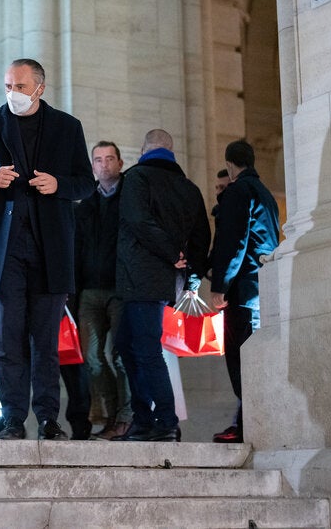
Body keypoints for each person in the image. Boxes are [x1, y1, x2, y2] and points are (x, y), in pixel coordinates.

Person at [0, 58, 95, 440]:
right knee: (7, 341)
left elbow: (85, 183)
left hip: (50, 250)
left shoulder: (68, 127)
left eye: (19, 86)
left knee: (46, 343)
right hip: (3, 252)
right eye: (7, 86)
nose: (12, 93)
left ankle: (49, 419)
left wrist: (59, 184)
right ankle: (13, 418)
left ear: (39, 88)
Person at [114, 129, 210, 442]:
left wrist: (171, 254)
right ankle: (143, 419)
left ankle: (165, 421)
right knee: (128, 345)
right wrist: (190, 273)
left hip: (139, 278)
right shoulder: (189, 187)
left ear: (145, 149)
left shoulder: (137, 178)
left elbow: (138, 220)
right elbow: (201, 237)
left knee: (144, 350)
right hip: (168, 281)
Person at [207, 139, 280, 444]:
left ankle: (250, 425)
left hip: (244, 291)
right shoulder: (267, 195)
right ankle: (245, 422)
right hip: (264, 289)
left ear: (230, 165)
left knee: (241, 361)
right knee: (254, 360)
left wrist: (220, 286)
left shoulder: (239, 191)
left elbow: (234, 243)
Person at [73, 140, 133, 440]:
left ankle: (126, 417)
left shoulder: (131, 198)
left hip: (121, 288)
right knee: (92, 357)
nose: (104, 164)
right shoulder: (85, 205)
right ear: (92, 166)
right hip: (90, 291)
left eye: (110, 158)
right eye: (98, 160)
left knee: (123, 356)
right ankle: (109, 416)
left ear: (120, 164)